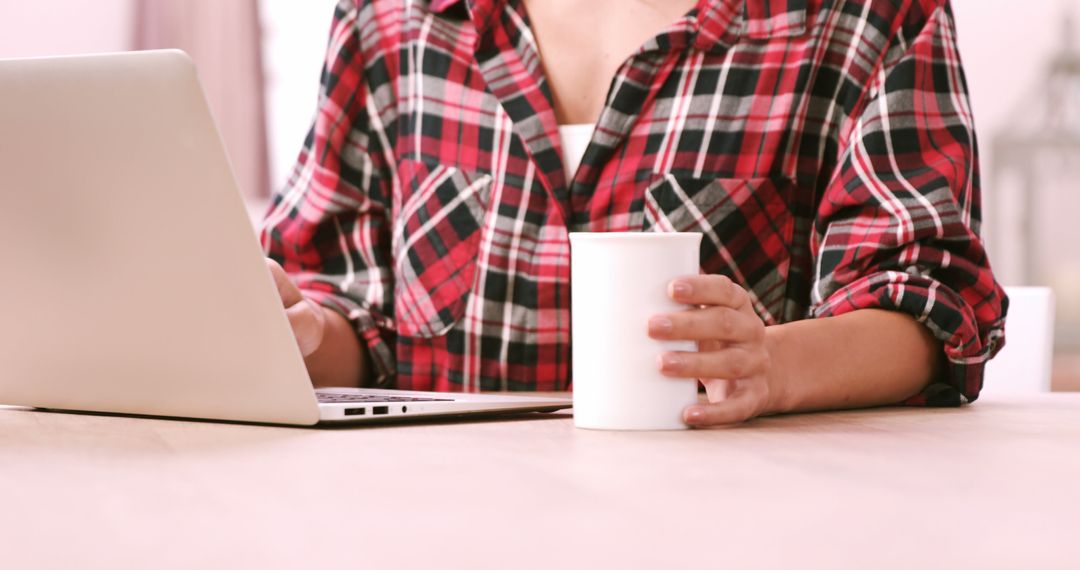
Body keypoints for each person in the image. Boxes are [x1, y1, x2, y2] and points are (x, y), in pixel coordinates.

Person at [261, 0, 1007, 426]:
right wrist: (297, 333)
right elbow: (352, 316)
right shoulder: (390, 19)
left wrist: (774, 367)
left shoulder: (863, 16)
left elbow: (933, 310)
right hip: (430, 522)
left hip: (733, 527)